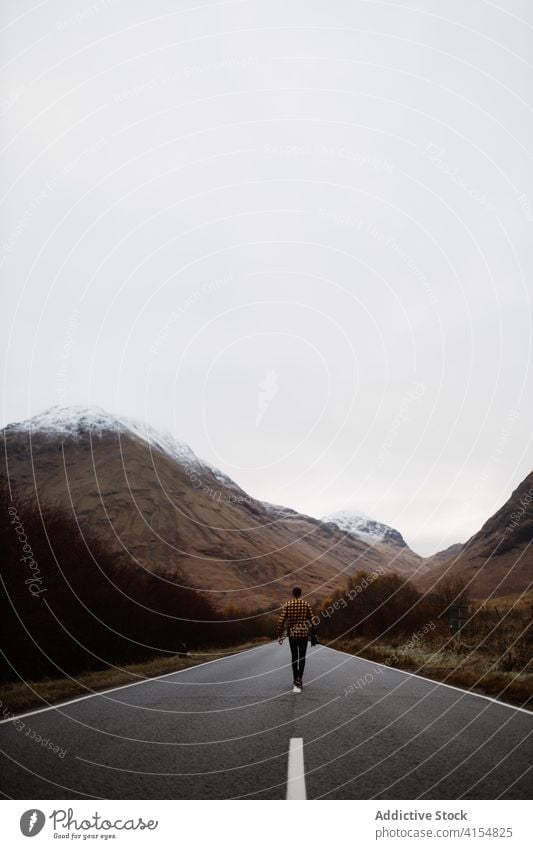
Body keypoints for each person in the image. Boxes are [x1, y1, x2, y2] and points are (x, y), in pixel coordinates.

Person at [278, 587, 315, 689]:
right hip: (303, 635)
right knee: (302, 657)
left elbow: (281, 621)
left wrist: (280, 635)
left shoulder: (288, 604)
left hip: (292, 635)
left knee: (294, 657)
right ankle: (300, 679)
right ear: (301, 593)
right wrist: (313, 632)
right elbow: (313, 619)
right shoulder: (306, 604)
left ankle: (295, 679)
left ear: (293, 593)